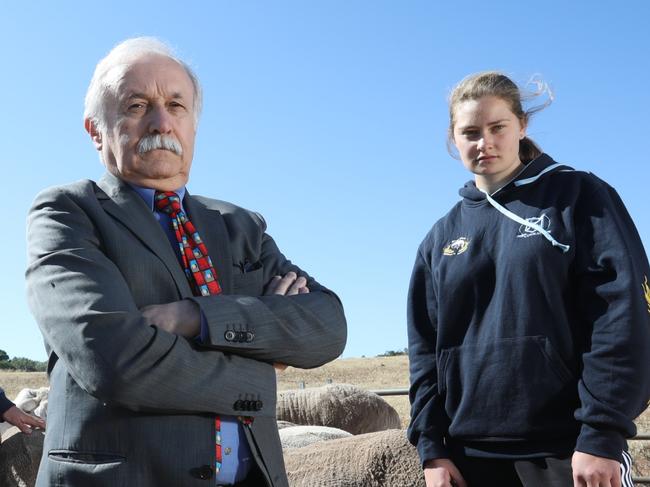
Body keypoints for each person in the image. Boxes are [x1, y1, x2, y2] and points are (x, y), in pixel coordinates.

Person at [25, 37, 346, 487]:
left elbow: (327, 325)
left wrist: (196, 317)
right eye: (137, 105)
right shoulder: (68, 212)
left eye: (177, 105)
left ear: (193, 124)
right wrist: (261, 370)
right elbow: (114, 361)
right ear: (96, 130)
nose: (162, 122)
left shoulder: (240, 226)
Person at [406, 71, 650, 487]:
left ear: (522, 125)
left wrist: (602, 434)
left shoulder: (579, 197)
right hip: (469, 459)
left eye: (497, 127)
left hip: (570, 451)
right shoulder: (440, 238)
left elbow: (622, 312)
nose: (485, 142)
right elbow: (425, 351)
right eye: (470, 132)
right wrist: (433, 450)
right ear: (453, 139)